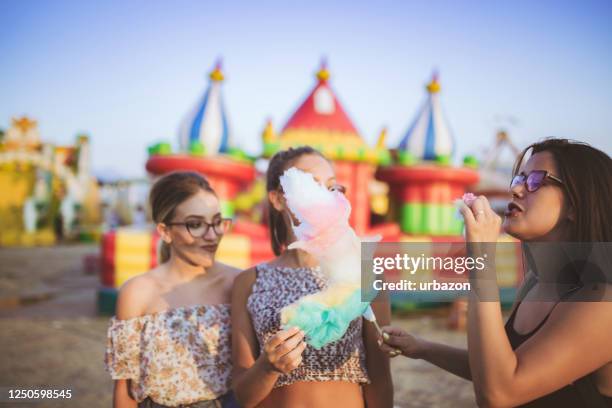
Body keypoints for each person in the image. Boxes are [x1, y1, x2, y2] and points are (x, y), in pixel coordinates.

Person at [379, 138, 612, 407]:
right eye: (518, 179)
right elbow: (497, 367)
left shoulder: (601, 302)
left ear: (575, 204)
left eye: (536, 180)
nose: (516, 190)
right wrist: (422, 348)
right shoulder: (534, 282)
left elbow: (499, 393)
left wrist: (482, 259)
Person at [232, 146, 394, 407]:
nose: (324, 196)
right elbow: (242, 395)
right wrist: (268, 367)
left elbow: (380, 378)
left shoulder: (365, 272)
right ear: (277, 198)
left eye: (331, 187)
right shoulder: (249, 282)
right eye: (311, 183)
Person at [105, 171, 240, 408]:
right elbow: (125, 391)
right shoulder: (137, 293)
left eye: (217, 222)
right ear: (165, 231)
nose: (212, 236)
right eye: (195, 225)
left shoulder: (239, 284)